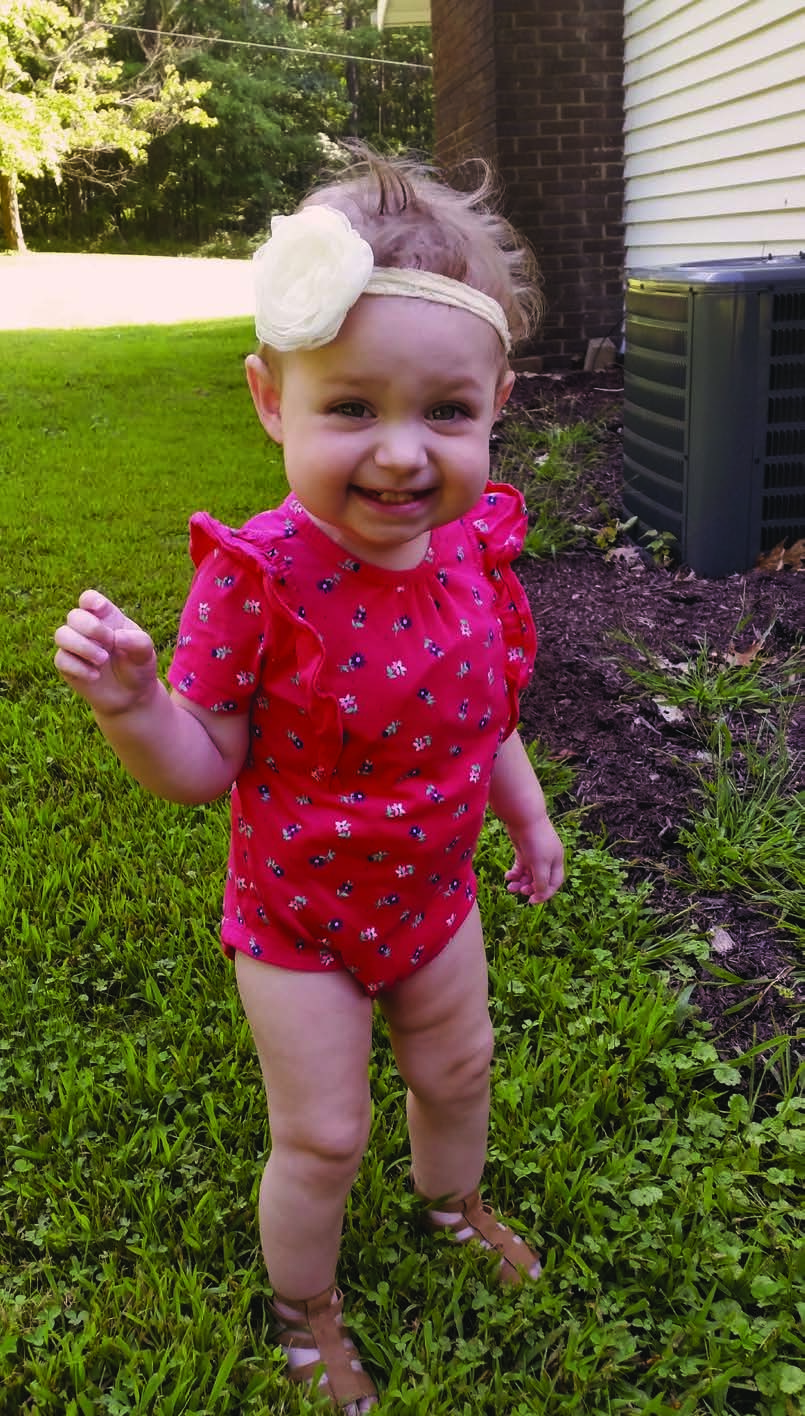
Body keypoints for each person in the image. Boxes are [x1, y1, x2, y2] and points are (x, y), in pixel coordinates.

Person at [54, 148, 564, 1413]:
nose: (400, 455)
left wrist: (528, 808)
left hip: (436, 897)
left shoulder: (473, 550)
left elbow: (483, 707)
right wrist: (136, 708)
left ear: (496, 400)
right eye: (351, 408)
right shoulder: (259, 575)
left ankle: (451, 1208)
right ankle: (304, 1310)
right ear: (270, 398)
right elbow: (203, 766)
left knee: (460, 1068)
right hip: (299, 922)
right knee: (324, 1135)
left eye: (444, 412)